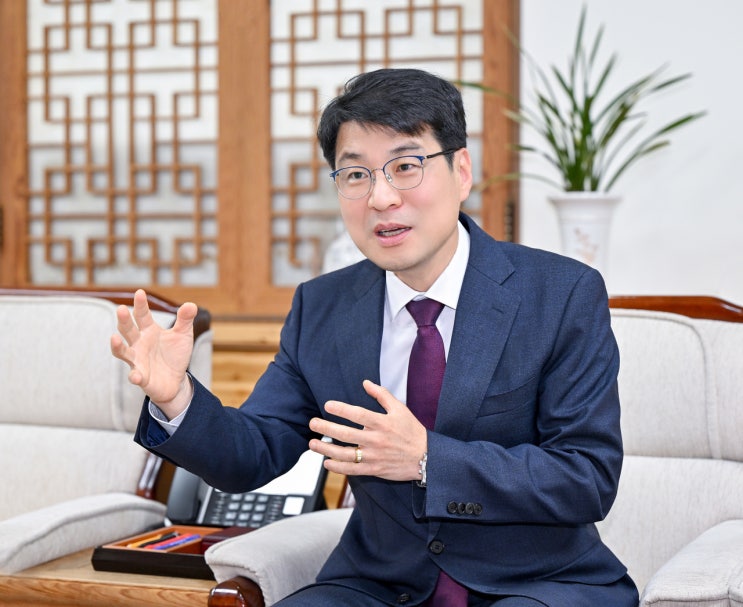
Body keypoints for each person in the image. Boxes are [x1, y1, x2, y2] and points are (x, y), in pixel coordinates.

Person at [111, 68, 639, 606]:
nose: (381, 197)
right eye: (356, 174)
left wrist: (428, 459)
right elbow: (252, 454)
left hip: (537, 586)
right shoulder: (322, 307)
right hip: (380, 587)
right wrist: (176, 396)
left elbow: (587, 477)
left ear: (461, 171)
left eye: (406, 166)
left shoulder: (560, 294)